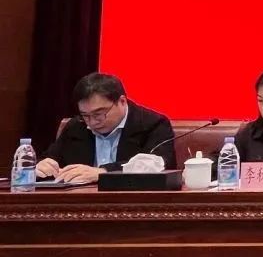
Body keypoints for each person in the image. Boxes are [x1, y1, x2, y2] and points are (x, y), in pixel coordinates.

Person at [36, 72, 175, 183]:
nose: (92, 122)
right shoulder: (77, 126)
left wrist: (103, 172)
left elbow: (157, 166)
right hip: (79, 201)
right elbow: (50, 158)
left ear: (122, 101)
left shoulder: (153, 124)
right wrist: (42, 167)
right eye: (85, 115)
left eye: (99, 114)